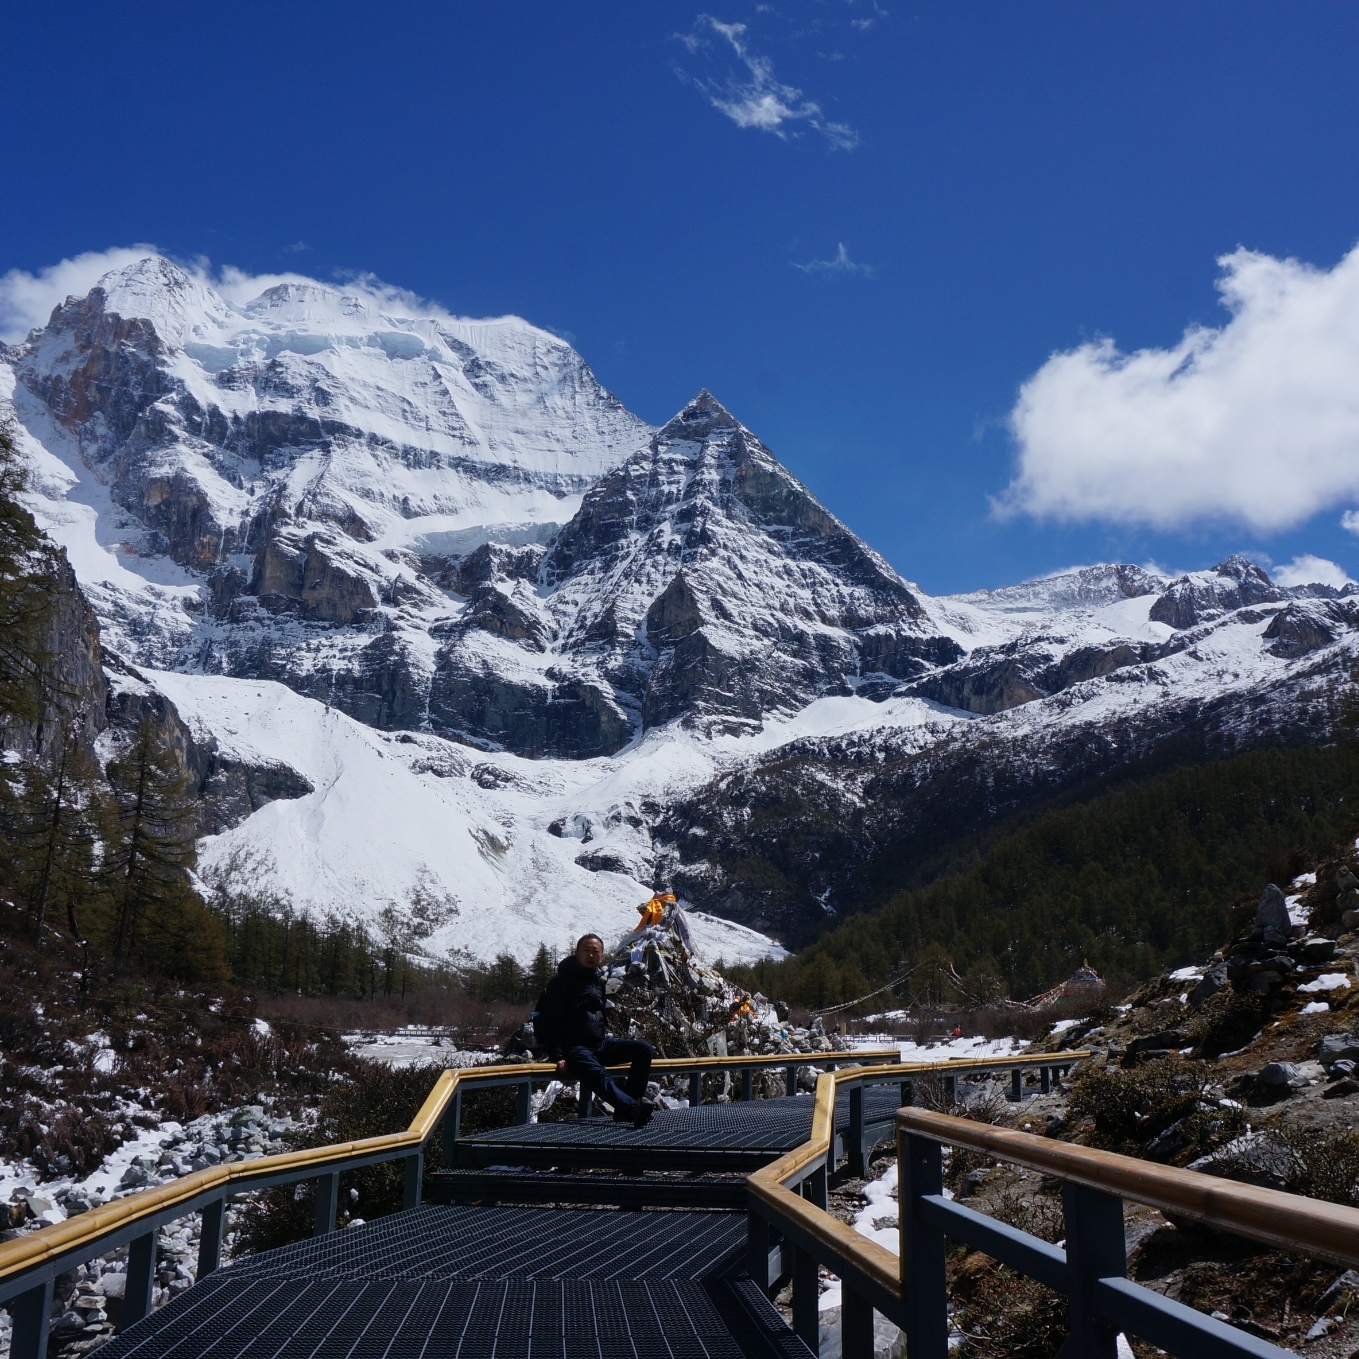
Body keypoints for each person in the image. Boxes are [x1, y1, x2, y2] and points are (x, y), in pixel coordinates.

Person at [539, 933, 654, 1127]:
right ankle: (631, 1107)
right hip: (575, 1048)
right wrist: (557, 1054)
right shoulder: (561, 982)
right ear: (577, 953)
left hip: (599, 1044)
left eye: (596, 952)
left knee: (644, 1049)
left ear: (601, 956)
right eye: (586, 950)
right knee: (597, 1074)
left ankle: (630, 1108)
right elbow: (550, 1019)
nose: (591, 955)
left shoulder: (598, 982)